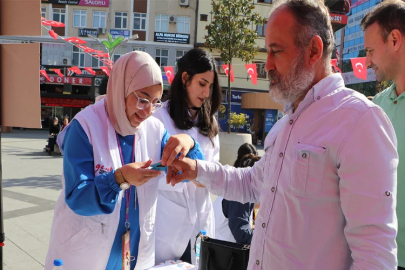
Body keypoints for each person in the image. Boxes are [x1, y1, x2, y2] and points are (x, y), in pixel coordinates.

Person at [166, 0, 398, 269]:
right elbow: (250, 183)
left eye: (276, 51)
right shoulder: (286, 124)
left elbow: (375, 255)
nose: (268, 65)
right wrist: (196, 169)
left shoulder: (359, 121)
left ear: (313, 50)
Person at [45, 51, 204, 270]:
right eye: (142, 99)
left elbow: (193, 170)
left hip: (133, 251)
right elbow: (77, 197)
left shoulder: (154, 129)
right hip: (86, 251)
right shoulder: (85, 126)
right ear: (122, 87)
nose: (148, 111)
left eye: (156, 102)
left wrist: (190, 144)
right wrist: (119, 178)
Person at [153, 48, 222, 264]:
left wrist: (193, 152)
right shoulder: (159, 119)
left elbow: (213, 179)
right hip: (166, 227)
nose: (206, 92)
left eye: (210, 86)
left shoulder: (210, 126)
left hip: (199, 226)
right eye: (202, 83)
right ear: (185, 78)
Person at [362, 1, 405, 268]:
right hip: (381, 258)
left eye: (370, 51)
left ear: (395, 39)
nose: (367, 61)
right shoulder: (375, 108)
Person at [214, 149, 260, 245]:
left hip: (220, 250)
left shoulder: (237, 188)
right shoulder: (240, 194)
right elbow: (242, 235)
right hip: (224, 253)